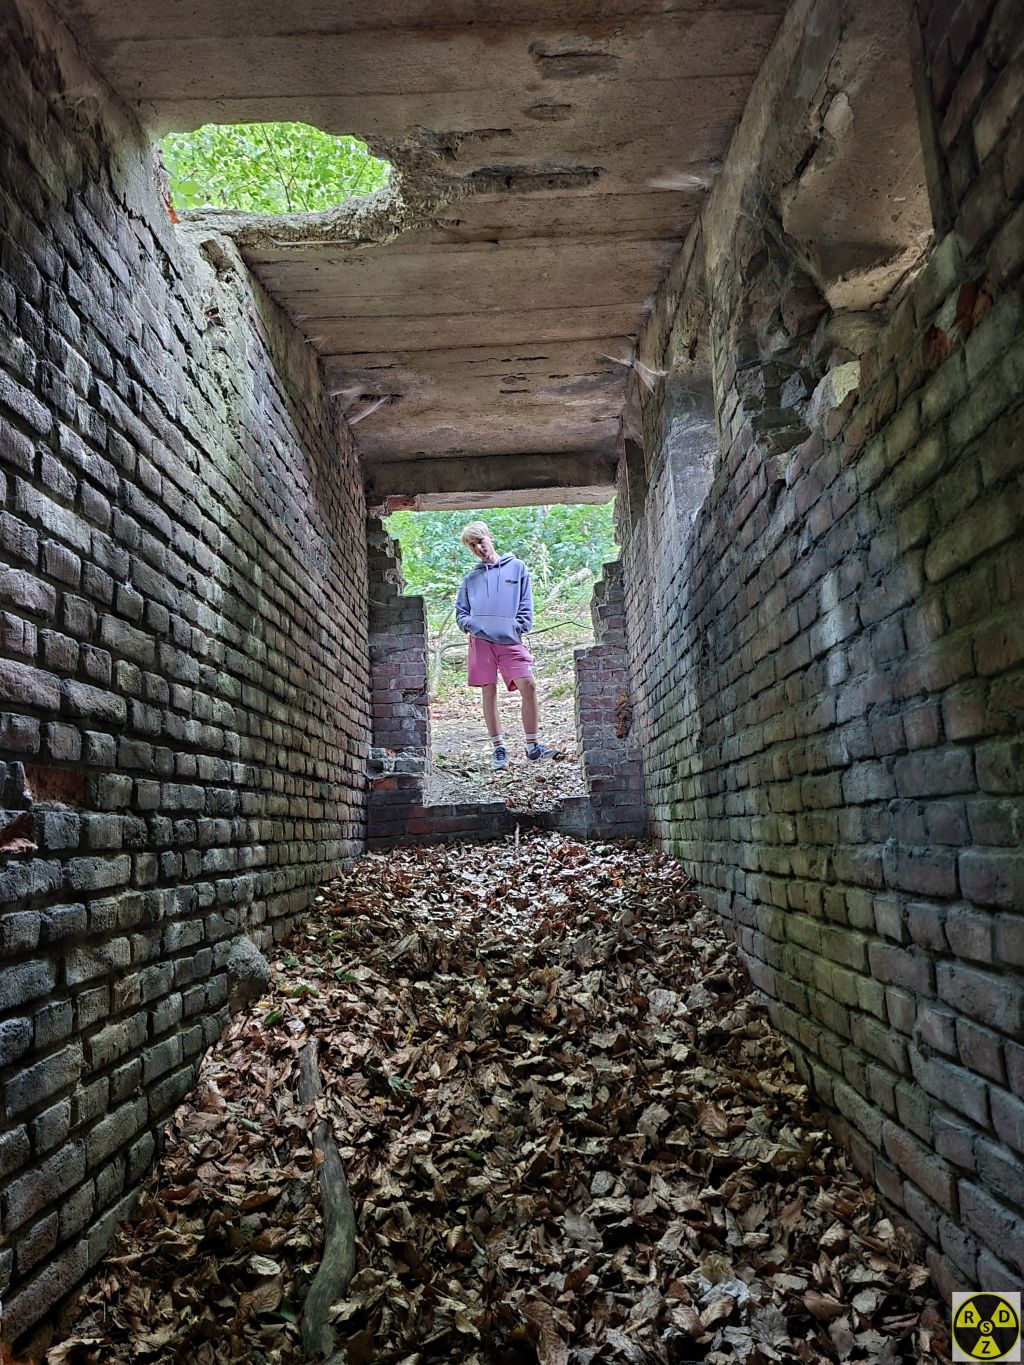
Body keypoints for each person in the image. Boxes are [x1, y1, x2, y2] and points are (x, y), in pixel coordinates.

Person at [455, 521, 560, 771]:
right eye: (472, 545)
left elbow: (526, 605)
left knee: (529, 685)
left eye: (480, 541)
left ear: (490, 537)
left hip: (510, 640)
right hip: (480, 642)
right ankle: (498, 748)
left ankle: (533, 746)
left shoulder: (517, 567)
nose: (478, 548)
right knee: (488, 691)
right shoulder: (471, 579)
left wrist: (518, 626)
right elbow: (461, 613)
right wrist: (474, 625)